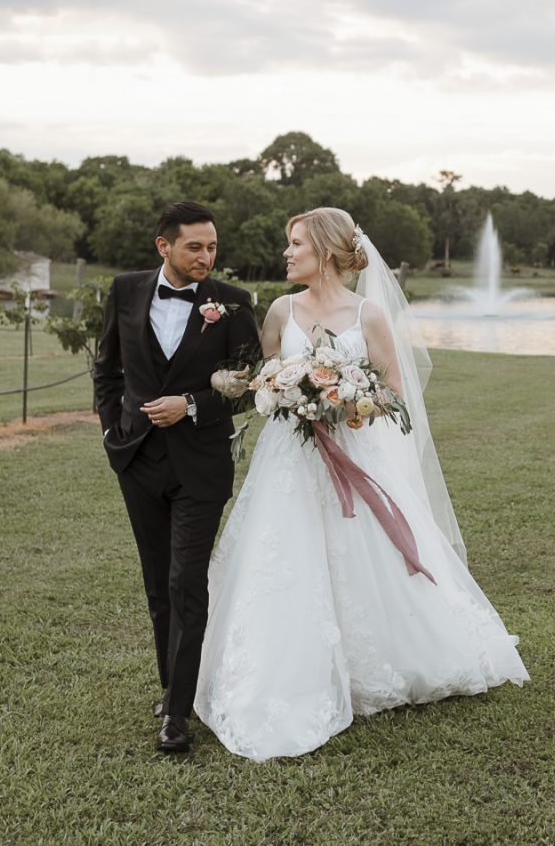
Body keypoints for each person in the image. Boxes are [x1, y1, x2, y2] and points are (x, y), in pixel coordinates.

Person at [194, 207, 527, 761]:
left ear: (325, 251)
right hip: (288, 461)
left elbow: (394, 391)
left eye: (296, 243)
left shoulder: (368, 314)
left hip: (354, 451)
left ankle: (386, 659)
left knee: (363, 554)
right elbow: (263, 380)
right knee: (285, 555)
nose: (287, 253)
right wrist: (282, 392)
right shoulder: (280, 311)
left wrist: (346, 401)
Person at [92, 201, 262, 754]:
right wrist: (111, 431)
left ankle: (178, 714)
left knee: (186, 581)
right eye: (195, 247)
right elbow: (106, 370)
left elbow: (251, 385)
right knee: (157, 581)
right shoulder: (125, 290)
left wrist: (189, 405)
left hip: (201, 464)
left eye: (212, 247)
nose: (205, 256)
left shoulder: (233, 303)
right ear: (163, 246)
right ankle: (172, 687)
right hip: (137, 460)